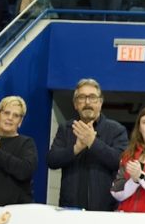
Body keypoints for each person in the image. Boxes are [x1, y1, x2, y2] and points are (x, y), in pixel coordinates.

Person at [47, 79, 129, 211]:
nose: (87, 102)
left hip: (104, 210)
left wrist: (93, 142)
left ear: (100, 103)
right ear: (75, 104)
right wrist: (76, 149)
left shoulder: (116, 130)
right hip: (70, 208)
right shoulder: (66, 128)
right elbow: (52, 160)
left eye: (92, 97)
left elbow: (120, 162)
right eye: (81, 97)